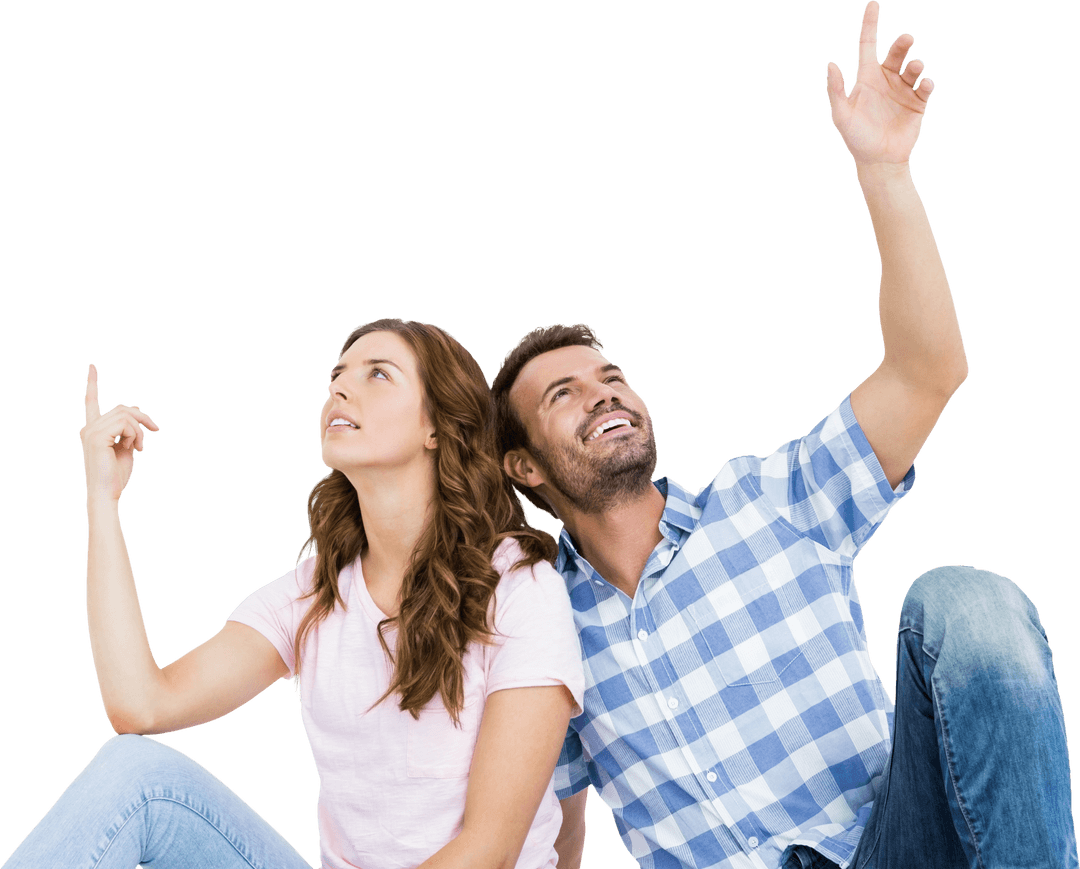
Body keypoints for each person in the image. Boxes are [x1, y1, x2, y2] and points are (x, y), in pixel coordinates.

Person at [490, 5, 1077, 869]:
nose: (604, 393)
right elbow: (556, 823)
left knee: (965, 602)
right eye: (563, 395)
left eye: (611, 377)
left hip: (893, 849)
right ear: (523, 464)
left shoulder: (769, 502)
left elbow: (928, 371)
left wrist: (884, 171)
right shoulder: (542, 622)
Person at [4, 318, 584, 869]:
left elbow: (491, 851)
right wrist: (102, 500)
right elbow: (142, 704)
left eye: (378, 374)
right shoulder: (315, 595)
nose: (340, 391)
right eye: (337, 377)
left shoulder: (521, 589)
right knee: (136, 774)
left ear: (438, 426)